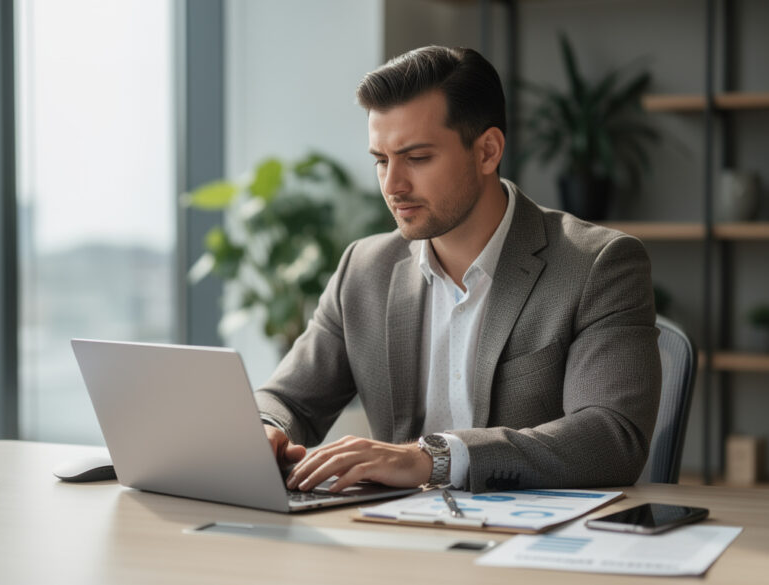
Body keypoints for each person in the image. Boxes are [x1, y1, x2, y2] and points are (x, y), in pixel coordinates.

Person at [257, 45, 660, 494]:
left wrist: (432, 458)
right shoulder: (364, 269)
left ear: (487, 151)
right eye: (381, 160)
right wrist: (265, 428)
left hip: (530, 542)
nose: (393, 186)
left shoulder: (597, 265)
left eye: (417, 158)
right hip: (392, 539)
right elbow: (286, 399)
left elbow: (611, 437)